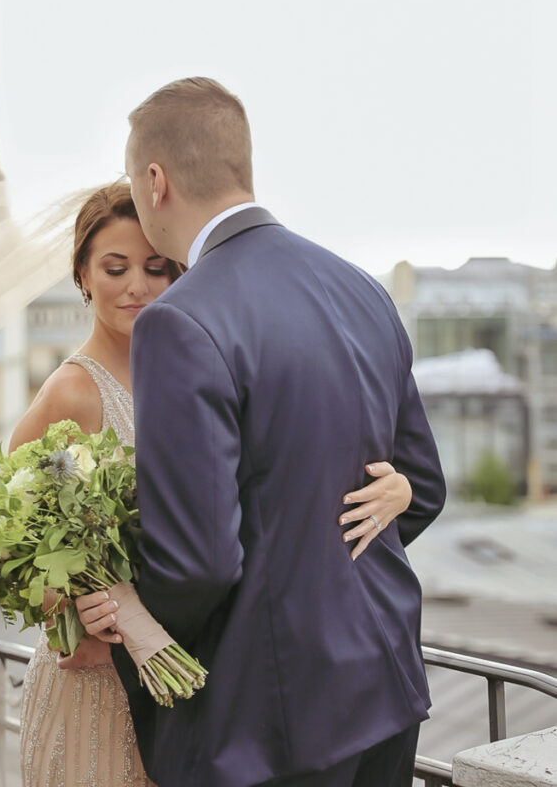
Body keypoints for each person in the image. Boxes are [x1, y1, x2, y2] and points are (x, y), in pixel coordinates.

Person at [79, 79, 446, 787]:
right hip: (388, 689)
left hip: (270, 729)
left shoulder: (181, 321)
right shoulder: (360, 286)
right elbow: (419, 488)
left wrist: (126, 615)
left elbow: (199, 563)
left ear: (154, 182)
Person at [14, 180, 415, 787]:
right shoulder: (72, 392)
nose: (136, 287)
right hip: (101, 680)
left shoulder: (199, 363)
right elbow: (14, 543)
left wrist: (401, 490)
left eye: (155, 268)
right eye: (115, 268)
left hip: (196, 684)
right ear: (82, 275)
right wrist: (74, 609)